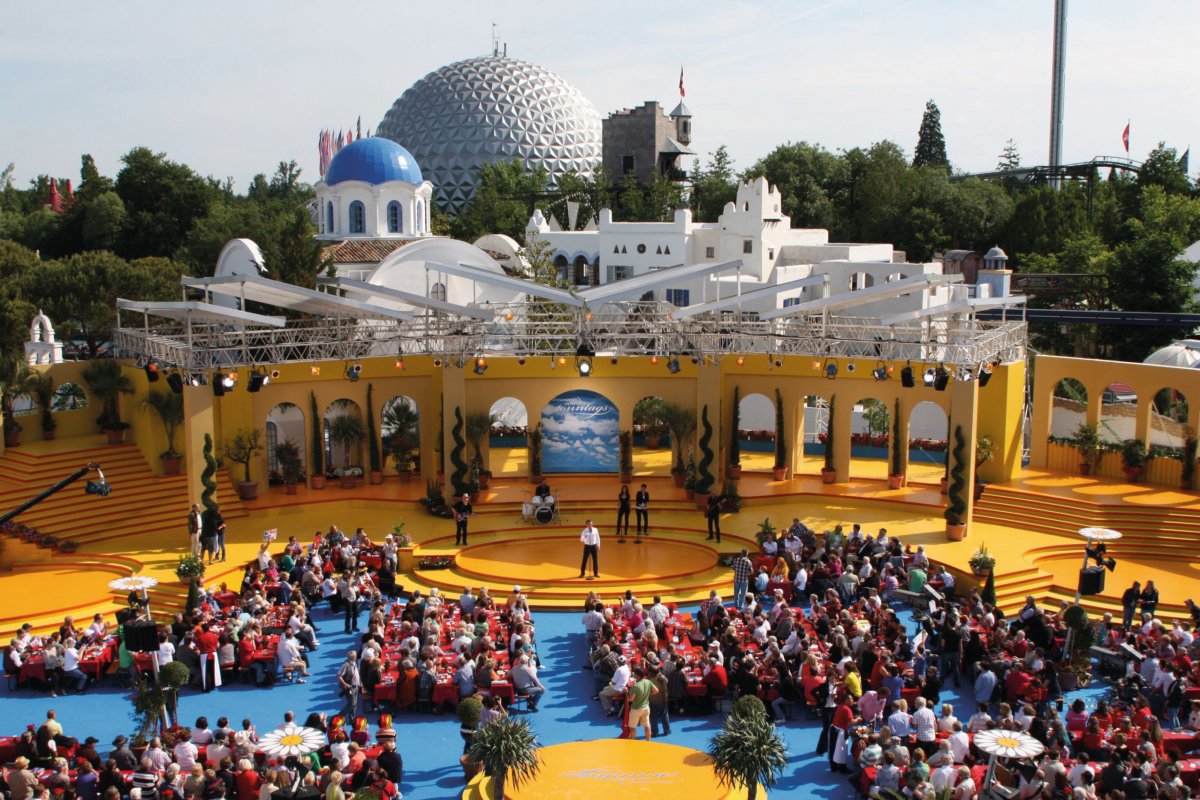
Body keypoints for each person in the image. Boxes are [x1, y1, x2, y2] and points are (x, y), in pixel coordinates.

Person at [626, 665, 658, 741]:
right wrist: (647, 694)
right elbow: (656, 690)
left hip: (636, 709)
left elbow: (630, 699)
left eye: (634, 673)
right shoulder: (648, 682)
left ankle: (633, 741)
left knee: (633, 727)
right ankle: (648, 741)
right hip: (646, 707)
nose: (633, 674)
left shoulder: (635, 686)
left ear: (638, 675)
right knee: (647, 725)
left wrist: (626, 692)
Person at [337, 650, 361, 720]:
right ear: (354, 657)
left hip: (355, 686)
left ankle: (352, 718)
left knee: (354, 703)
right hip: (349, 687)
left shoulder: (354, 663)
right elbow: (339, 675)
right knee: (352, 703)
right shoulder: (345, 665)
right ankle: (340, 715)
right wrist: (345, 684)